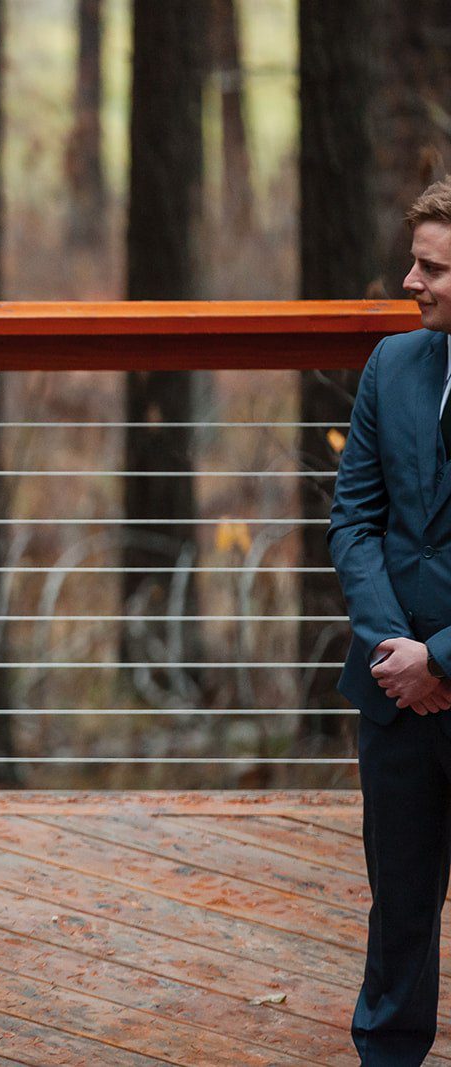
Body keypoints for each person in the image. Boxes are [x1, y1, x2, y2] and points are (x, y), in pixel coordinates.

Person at [331, 177, 451, 1066]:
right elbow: (354, 520)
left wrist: (442, 659)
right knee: (399, 898)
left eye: (432, 267)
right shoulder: (392, 364)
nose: (410, 280)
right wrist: (396, 656)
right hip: (391, 689)